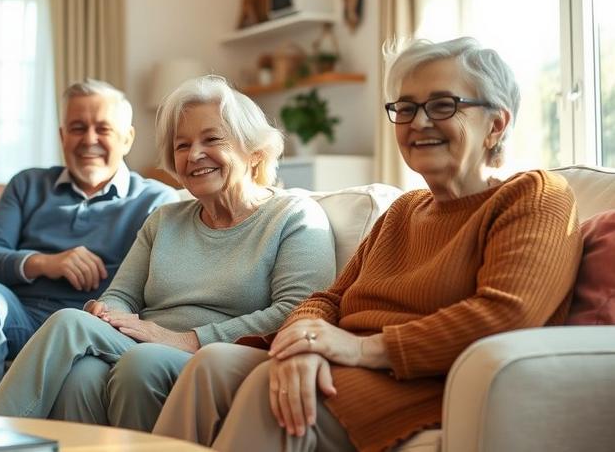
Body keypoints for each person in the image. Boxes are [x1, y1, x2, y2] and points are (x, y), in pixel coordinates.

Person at [154, 38, 584, 452]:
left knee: (272, 396)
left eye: (442, 105)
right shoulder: (404, 210)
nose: (418, 122)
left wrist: (360, 349)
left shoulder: (534, 195)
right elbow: (328, 298)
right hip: (344, 361)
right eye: (407, 107)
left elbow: (506, 314)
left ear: (496, 124)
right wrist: (303, 342)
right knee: (210, 366)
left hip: (415, 379)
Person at [0, 75, 336, 431]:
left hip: (217, 356)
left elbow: (296, 312)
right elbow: (121, 294)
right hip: (143, 343)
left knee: (100, 341)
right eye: (182, 145)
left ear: (254, 152)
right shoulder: (164, 220)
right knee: (83, 372)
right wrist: (109, 314)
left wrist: (185, 339)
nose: (194, 154)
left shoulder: (294, 216)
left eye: (211, 139)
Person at [0, 79, 179, 413]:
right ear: (62, 136)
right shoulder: (28, 184)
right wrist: (44, 262)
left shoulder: (155, 200)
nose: (89, 140)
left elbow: (151, 285)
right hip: (22, 317)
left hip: (92, 325)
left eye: (103, 129)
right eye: (78, 128)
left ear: (127, 138)